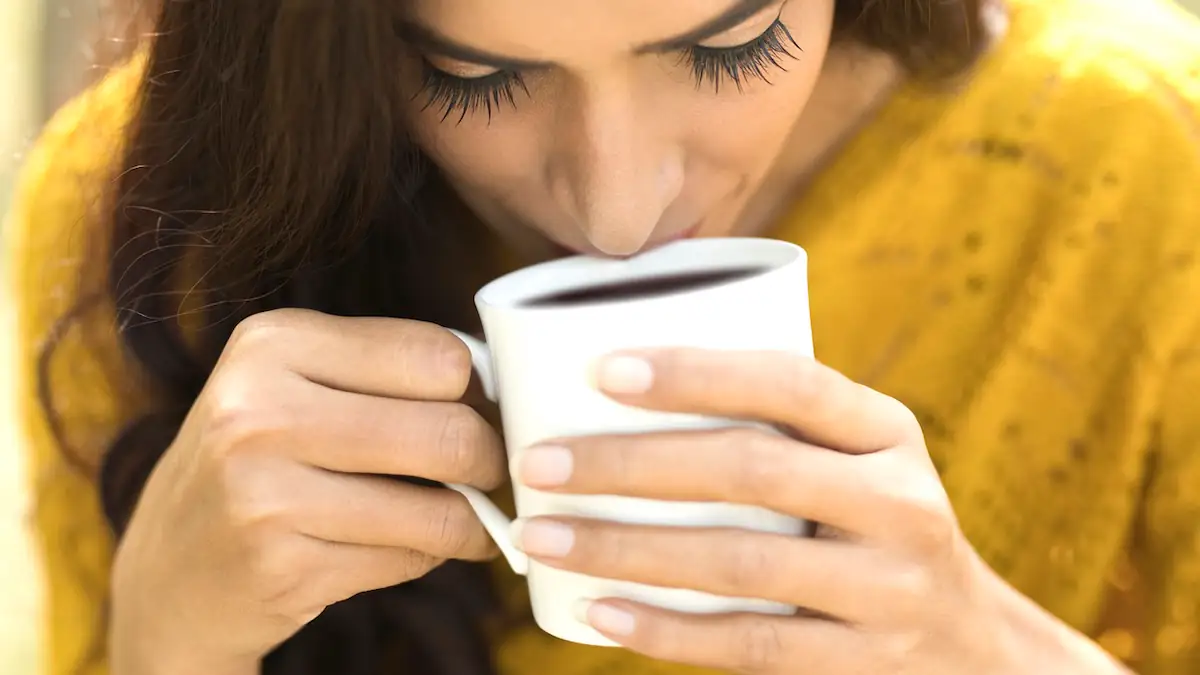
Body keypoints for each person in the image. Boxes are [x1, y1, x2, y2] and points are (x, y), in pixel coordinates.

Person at [5, 0, 1199, 673]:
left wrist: (992, 652)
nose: (618, 213)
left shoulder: (1145, 170)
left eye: (729, 48)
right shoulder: (161, 221)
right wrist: (165, 639)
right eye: (475, 76)